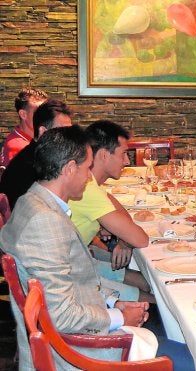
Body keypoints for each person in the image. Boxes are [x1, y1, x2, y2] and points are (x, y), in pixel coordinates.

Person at [0, 126, 150, 369]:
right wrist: (120, 317)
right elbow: (61, 315)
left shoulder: (34, 199)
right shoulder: (44, 221)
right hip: (73, 352)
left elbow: (76, 282)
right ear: (69, 169)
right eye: (87, 168)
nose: (90, 177)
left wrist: (112, 303)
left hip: (75, 331)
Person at [68, 120, 152, 302]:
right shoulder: (87, 188)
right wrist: (125, 237)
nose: (127, 161)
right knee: (154, 297)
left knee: (149, 283)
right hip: (73, 277)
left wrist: (122, 237)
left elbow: (123, 215)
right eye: (123, 154)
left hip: (79, 262)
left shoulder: (89, 182)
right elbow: (141, 239)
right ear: (105, 155)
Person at [0, 98, 73, 209]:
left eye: (69, 131)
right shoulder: (32, 164)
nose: (69, 138)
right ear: (43, 132)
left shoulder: (39, 154)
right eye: (62, 132)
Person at [1, 87, 48, 167]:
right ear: (23, 114)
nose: (46, 116)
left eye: (46, 111)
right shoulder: (18, 149)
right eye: (39, 112)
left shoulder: (33, 139)